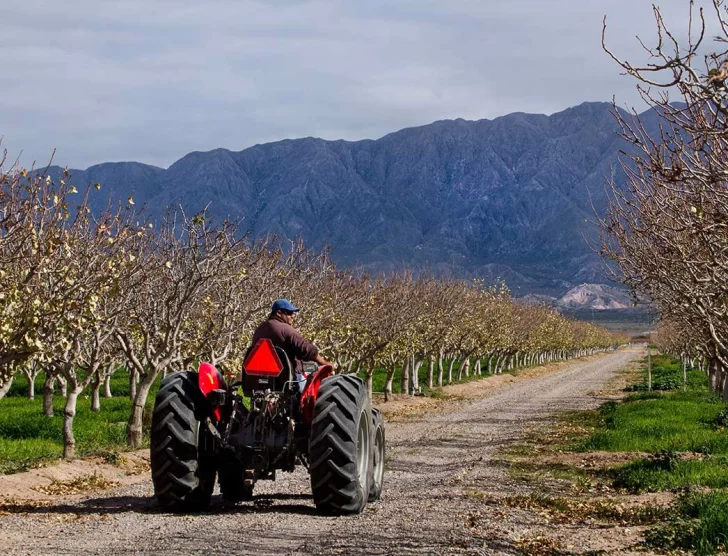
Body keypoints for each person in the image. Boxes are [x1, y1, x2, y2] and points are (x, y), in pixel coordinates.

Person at [251, 299, 332, 388]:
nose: (293, 316)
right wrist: (324, 363)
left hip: (259, 380)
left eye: (293, 313)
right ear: (278, 313)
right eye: (289, 313)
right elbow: (306, 349)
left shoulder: (259, 330)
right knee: (314, 393)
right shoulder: (285, 329)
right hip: (287, 380)